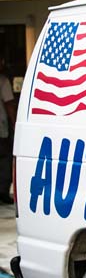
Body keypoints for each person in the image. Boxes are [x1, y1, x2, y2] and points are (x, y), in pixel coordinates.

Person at [0, 56, 16, 204]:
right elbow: (9, 103)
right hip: (1, 127)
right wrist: (14, 122)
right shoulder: (3, 81)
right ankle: (3, 191)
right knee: (4, 158)